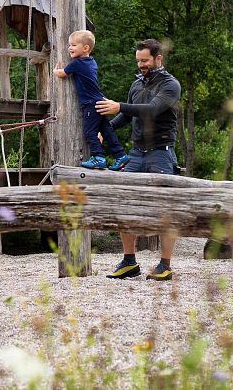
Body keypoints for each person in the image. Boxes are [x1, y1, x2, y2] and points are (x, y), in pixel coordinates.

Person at [95, 38, 181, 281]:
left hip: (160, 154)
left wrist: (118, 106)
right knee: (124, 204)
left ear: (158, 58)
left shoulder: (170, 85)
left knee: (165, 210)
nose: (141, 64)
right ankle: (129, 261)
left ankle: (165, 264)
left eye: (145, 60)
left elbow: (152, 109)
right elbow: (127, 114)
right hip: (136, 153)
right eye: (138, 61)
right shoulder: (136, 85)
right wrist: (107, 129)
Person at [53, 30, 131, 171]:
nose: (69, 48)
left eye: (73, 45)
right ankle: (120, 155)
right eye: (69, 45)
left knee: (89, 132)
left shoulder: (77, 63)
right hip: (99, 101)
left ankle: (98, 157)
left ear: (85, 48)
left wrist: (55, 70)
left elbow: (62, 74)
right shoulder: (92, 62)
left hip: (90, 104)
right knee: (107, 130)